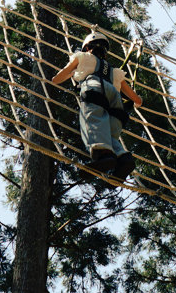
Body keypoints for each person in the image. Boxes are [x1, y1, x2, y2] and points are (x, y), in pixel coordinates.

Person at [52, 30, 143, 181]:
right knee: (110, 135)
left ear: (87, 48)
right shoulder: (115, 72)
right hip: (115, 102)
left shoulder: (83, 57)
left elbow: (59, 77)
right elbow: (133, 97)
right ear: (105, 53)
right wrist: (139, 101)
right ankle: (123, 158)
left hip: (94, 89)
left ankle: (103, 155)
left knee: (92, 121)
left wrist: (64, 75)